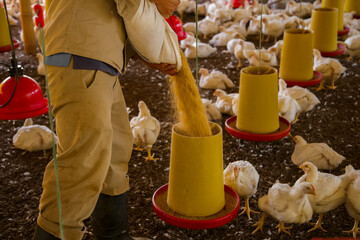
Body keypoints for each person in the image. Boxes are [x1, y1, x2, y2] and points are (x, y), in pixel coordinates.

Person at [32, 0, 180, 239]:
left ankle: (112, 234)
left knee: (115, 149)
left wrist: (147, 53)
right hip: (80, 50)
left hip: (99, 57)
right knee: (83, 157)